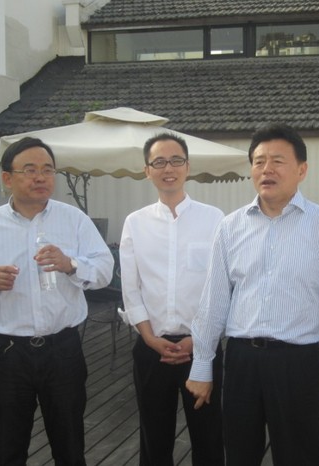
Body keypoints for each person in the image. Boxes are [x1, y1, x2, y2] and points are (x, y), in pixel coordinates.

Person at [186, 123, 319, 466]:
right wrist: (202, 364)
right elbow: (214, 302)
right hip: (241, 362)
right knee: (239, 456)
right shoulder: (230, 227)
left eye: (278, 161)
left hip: (297, 364)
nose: (266, 169)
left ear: (302, 170)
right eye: (259, 161)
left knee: (301, 457)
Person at [0, 137, 114, 466]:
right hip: (9, 353)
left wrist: (70, 264)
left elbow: (104, 270)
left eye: (47, 170)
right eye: (30, 170)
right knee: (9, 450)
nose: (41, 177)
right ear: (7, 178)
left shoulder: (74, 220)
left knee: (70, 449)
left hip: (64, 350)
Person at [120, 133, 225, 466]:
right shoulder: (135, 223)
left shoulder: (214, 219)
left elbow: (221, 287)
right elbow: (131, 288)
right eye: (159, 162)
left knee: (209, 436)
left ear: (188, 167)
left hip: (202, 348)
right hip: (153, 349)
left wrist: (199, 339)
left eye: (176, 160)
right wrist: (150, 338)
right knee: (154, 438)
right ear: (147, 170)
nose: (169, 168)